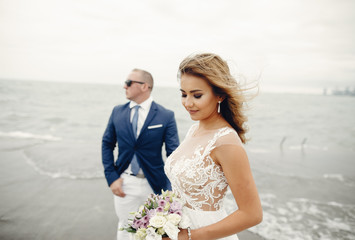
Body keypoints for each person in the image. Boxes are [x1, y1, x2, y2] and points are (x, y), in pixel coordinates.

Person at [164, 53, 262, 240]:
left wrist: (188, 237)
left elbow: (253, 214)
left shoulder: (226, 142)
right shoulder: (193, 130)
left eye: (197, 95)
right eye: (184, 94)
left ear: (220, 95)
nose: (187, 103)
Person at [101, 68, 180, 240]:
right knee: (125, 228)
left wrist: (169, 186)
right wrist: (112, 177)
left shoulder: (166, 116)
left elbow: (173, 154)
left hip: (154, 185)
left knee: (153, 232)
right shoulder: (117, 112)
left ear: (145, 86)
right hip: (124, 183)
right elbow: (107, 144)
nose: (124, 86)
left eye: (129, 82)